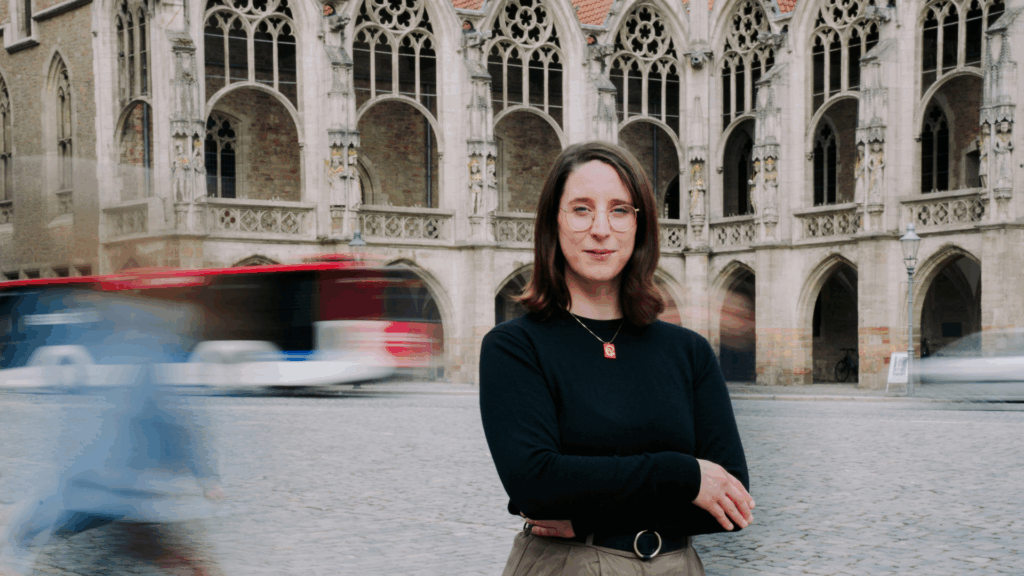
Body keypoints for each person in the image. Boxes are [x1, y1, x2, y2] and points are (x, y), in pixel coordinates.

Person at [479, 141, 754, 575]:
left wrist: (582, 507)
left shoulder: (689, 352)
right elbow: (535, 486)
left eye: (621, 210)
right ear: (553, 221)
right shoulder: (514, 347)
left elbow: (732, 503)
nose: (601, 229)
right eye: (581, 209)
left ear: (641, 226)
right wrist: (684, 475)